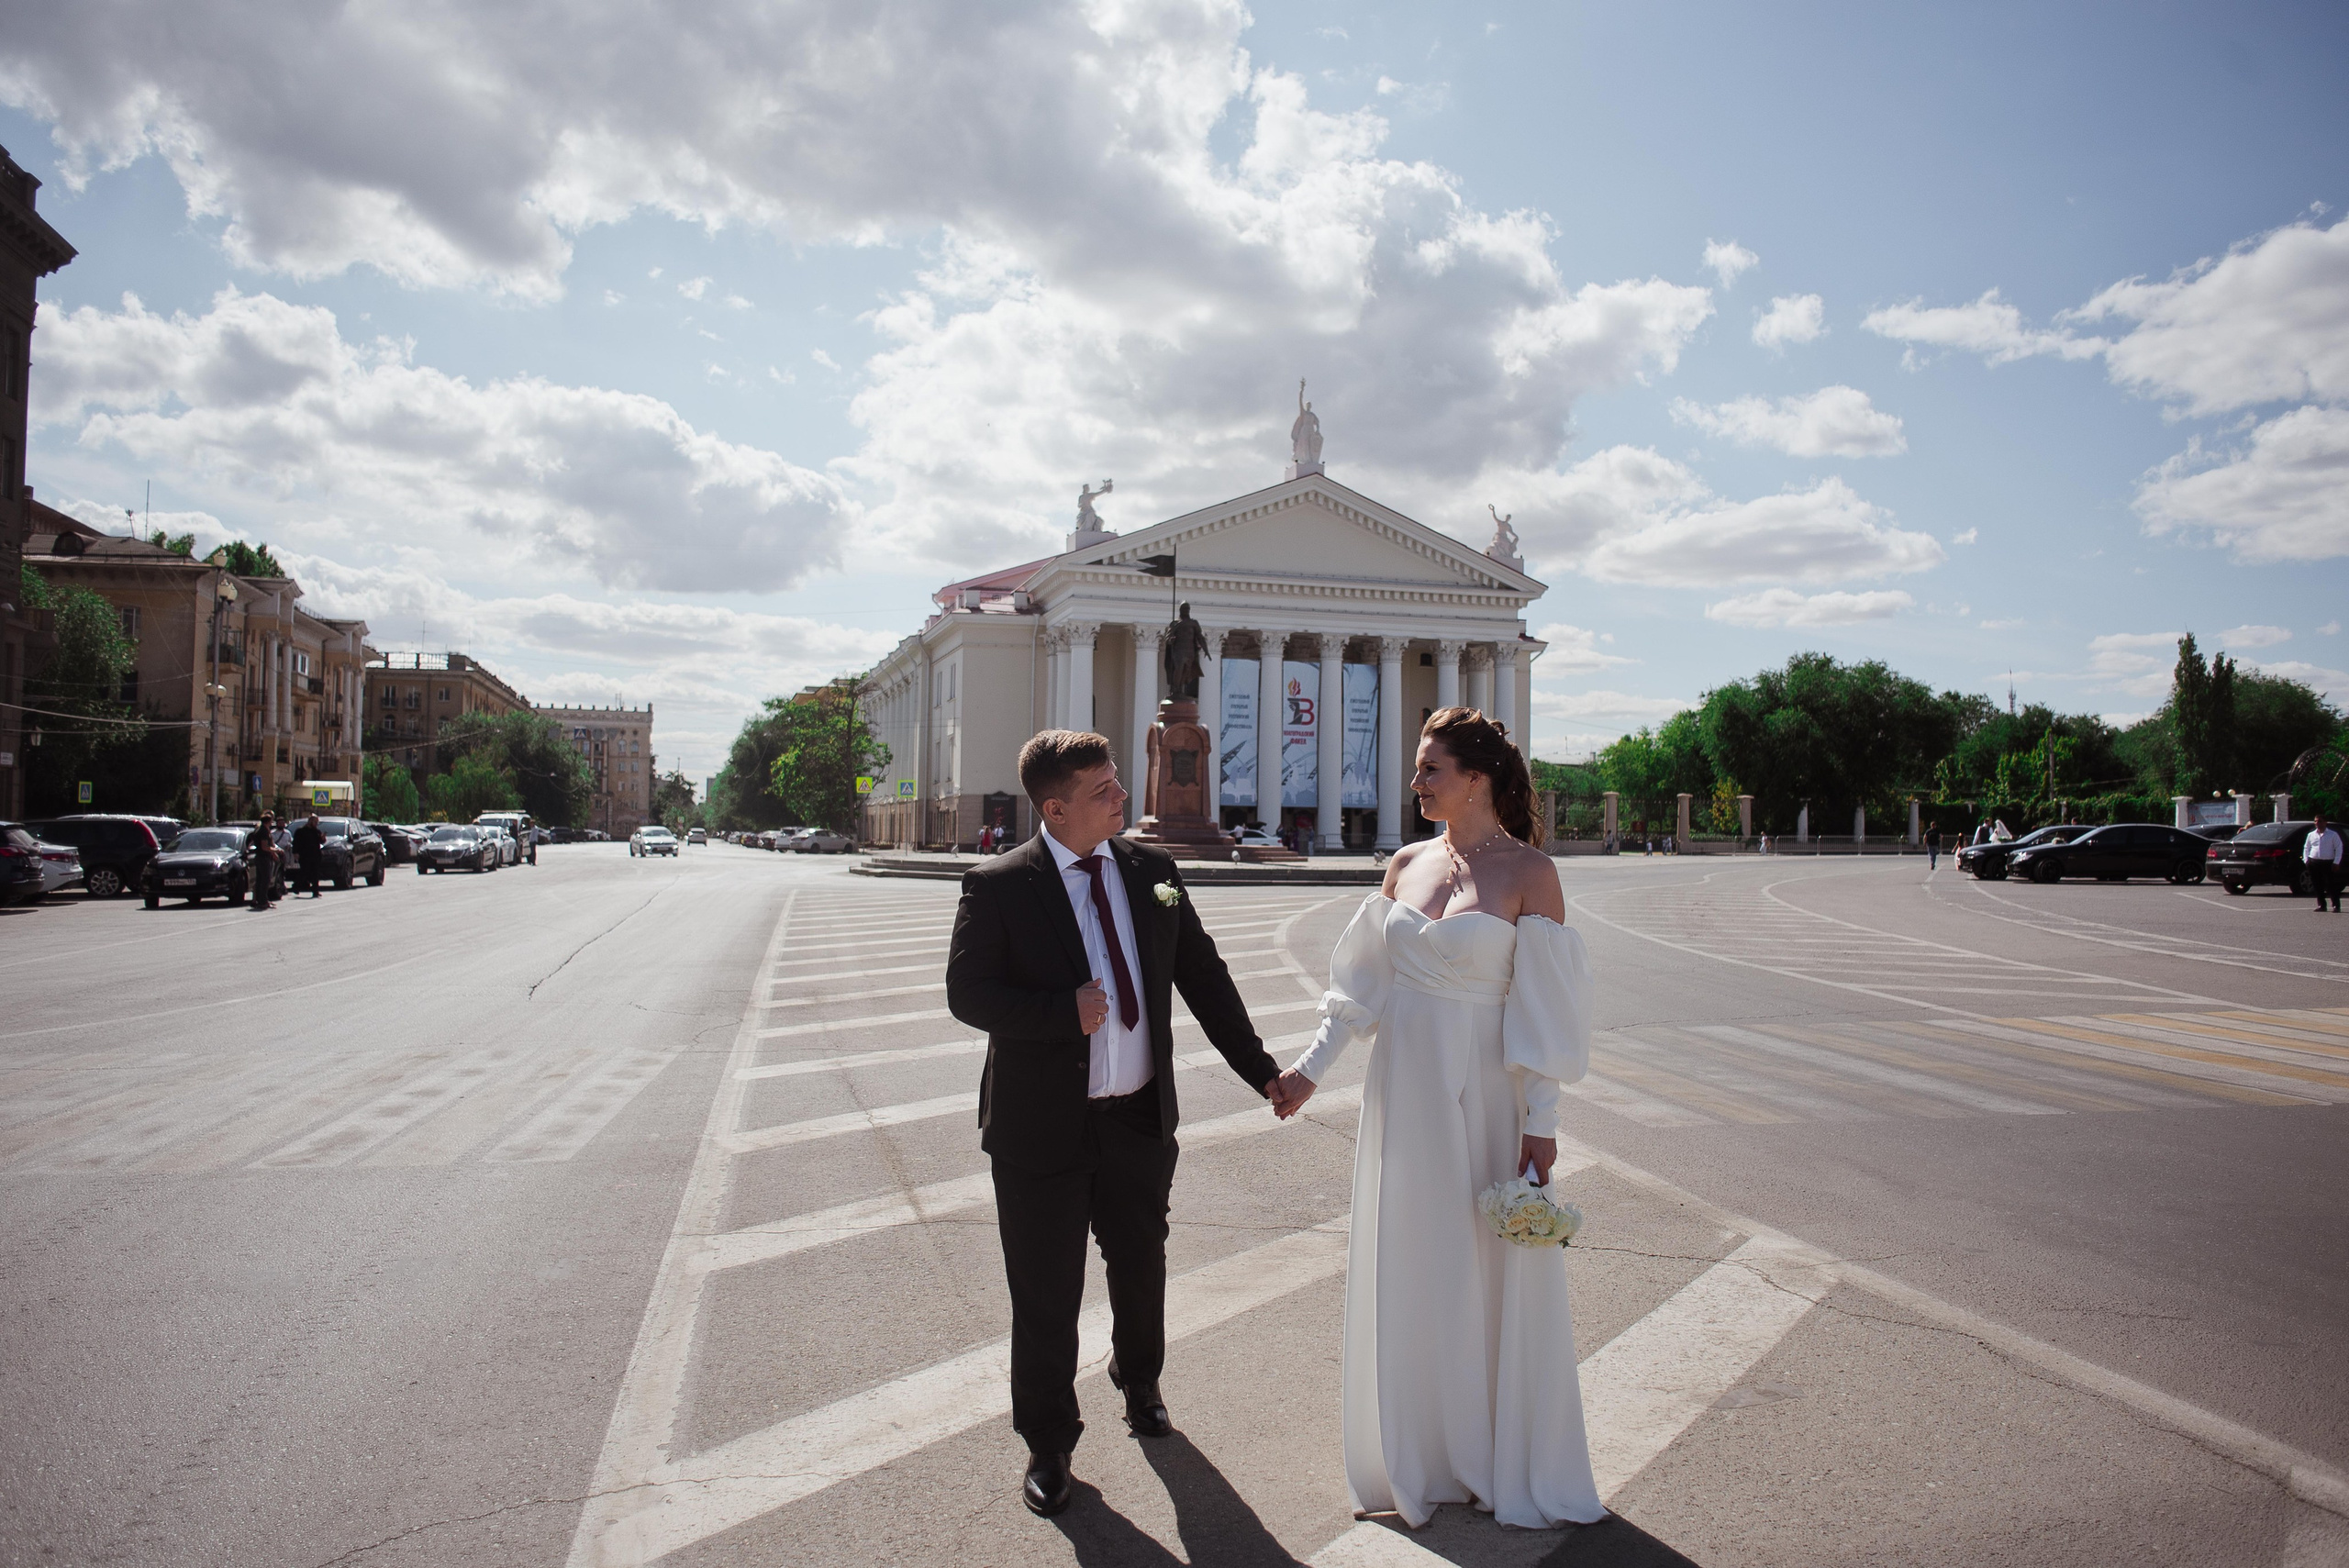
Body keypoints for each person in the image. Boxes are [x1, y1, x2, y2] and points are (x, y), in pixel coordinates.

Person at [1270, 707, 1607, 1531]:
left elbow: (1548, 1010)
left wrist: (1542, 1119)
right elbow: (1358, 992)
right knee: (1415, 1256)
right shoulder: (1405, 865)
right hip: (1406, 1087)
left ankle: (1490, 1453)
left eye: (1430, 769)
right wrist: (1307, 1073)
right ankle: (1416, 1453)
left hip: (1489, 1088)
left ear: (1477, 778)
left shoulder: (1532, 873)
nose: (1416, 783)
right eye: (1418, 769)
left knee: (1486, 1264)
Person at [944, 728, 1284, 1519]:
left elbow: (1203, 975)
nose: (1122, 799)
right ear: (1056, 808)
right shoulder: (999, 885)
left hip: (1136, 1119)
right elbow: (969, 994)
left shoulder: (1153, 871)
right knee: (1046, 1290)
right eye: (1104, 791)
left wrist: (1261, 1071)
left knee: (1141, 1263)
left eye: (1118, 784)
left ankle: (1140, 1380)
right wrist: (1061, 1011)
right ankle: (1050, 1444)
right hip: (1040, 1130)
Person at [2305, 811, 2343, 914]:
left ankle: (2336, 905)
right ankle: (2321, 905)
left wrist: (2336, 862)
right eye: (2316, 821)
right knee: (2317, 885)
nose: (2318, 823)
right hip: (2314, 862)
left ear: (2325, 822)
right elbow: (2306, 847)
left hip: (2328, 862)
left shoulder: (2332, 835)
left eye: (2320, 821)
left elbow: (2339, 848)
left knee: (2331, 885)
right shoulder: (2311, 835)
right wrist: (2306, 860)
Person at [250, 813, 281, 910]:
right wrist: (276, 850)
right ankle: (262, 901)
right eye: (271, 820)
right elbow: (264, 846)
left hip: (260, 857)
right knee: (265, 880)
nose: (272, 822)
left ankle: (261, 900)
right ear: (268, 821)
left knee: (260, 879)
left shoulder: (261, 829)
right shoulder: (263, 831)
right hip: (263, 858)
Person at [292, 811, 327, 897]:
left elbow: (321, 841)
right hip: (304, 855)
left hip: (315, 855)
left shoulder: (317, 831)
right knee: (304, 872)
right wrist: (295, 853)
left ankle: (315, 891)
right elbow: (296, 843)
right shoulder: (301, 831)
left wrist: (323, 838)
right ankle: (296, 886)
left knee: (315, 874)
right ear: (310, 821)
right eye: (315, 822)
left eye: (317, 822)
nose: (316, 824)